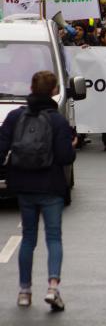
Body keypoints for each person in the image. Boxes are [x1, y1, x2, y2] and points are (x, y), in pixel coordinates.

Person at [0, 71, 76, 310]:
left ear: (30, 88)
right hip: (50, 184)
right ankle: (53, 287)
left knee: (28, 238)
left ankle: (25, 290)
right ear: (54, 90)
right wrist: (72, 146)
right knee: (53, 237)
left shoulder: (14, 116)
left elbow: (1, 149)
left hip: (23, 183)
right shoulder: (57, 120)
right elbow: (65, 157)